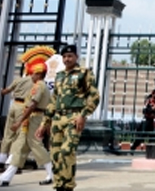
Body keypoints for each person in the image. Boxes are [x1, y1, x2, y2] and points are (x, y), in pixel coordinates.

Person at [36, 44, 100, 191]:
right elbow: (54, 100)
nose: (67, 59)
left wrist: (83, 115)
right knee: (55, 154)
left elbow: (94, 96)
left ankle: (68, 186)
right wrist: (44, 123)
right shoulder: (59, 75)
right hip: (57, 119)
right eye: (64, 56)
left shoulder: (84, 73)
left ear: (76, 57)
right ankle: (59, 185)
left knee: (67, 151)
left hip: (74, 117)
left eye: (70, 56)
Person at [0, 46, 55, 187]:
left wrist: (19, 122)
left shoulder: (38, 86)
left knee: (35, 145)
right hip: (32, 118)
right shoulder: (42, 86)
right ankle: (6, 176)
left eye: (33, 74)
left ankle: (52, 173)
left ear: (38, 74)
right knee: (20, 148)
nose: (31, 76)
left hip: (34, 118)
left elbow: (32, 105)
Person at [0, 65, 33, 168]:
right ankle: (11, 161)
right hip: (23, 107)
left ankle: (1, 159)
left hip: (13, 105)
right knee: (19, 135)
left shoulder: (18, 80)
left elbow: (5, 91)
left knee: (8, 133)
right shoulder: (35, 82)